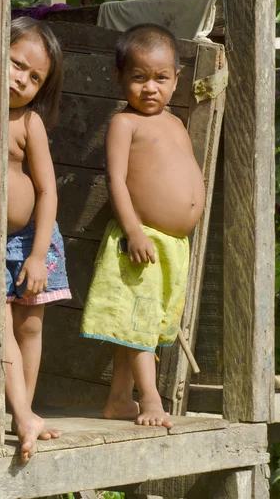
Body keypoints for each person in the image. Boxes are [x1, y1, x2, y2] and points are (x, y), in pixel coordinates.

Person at [81, 23, 205, 429]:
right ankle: (150, 397)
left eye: (160, 78)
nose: (150, 88)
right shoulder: (125, 124)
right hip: (142, 239)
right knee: (140, 320)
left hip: (173, 245)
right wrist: (133, 229)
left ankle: (119, 398)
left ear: (176, 79)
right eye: (139, 77)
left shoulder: (176, 123)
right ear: (119, 78)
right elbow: (115, 180)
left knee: (141, 322)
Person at [6, 17, 71, 461]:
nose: (22, 79)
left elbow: (47, 190)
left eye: (35, 78)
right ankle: (21, 412)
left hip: (30, 240)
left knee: (30, 326)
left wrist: (36, 253)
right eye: (16, 64)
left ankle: (23, 411)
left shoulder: (28, 122)